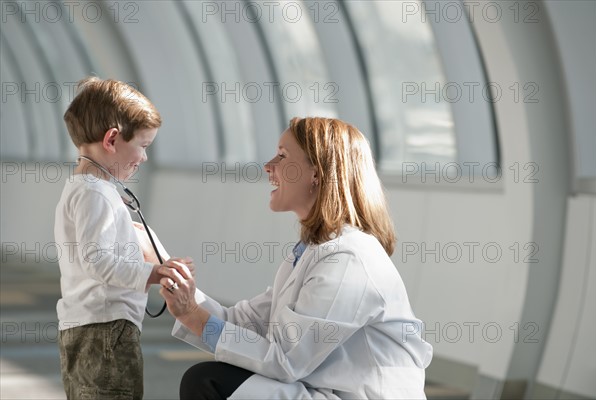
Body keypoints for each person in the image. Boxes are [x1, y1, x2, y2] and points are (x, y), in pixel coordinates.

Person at [158, 117, 433, 399]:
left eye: (282, 155)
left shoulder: (348, 258)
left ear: (316, 172)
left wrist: (193, 315)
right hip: (327, 391)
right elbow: (242, 321)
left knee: (208, 381)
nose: (268, 166)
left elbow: (286, 361)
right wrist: (170, 273)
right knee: (213, 378)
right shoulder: (313, 250)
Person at [55, 77, 192, 399]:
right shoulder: (96, 194)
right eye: (143, 146)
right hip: (106, 328)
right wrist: (155, 273)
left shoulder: (85, 190)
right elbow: (97, 261)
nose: (144, 158)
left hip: (90, 326)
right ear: (112, 139)